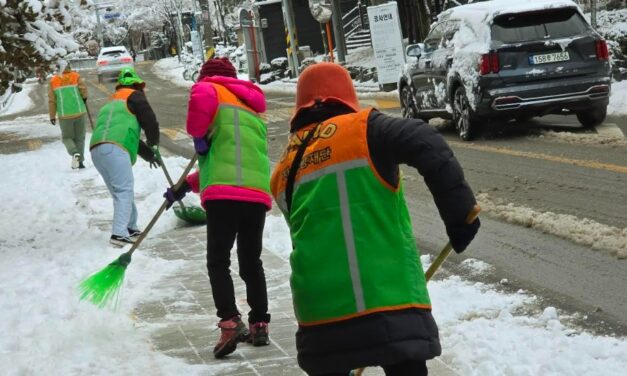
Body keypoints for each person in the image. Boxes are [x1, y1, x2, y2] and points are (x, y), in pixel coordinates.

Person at [269, 63, 481, 376]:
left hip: (319, 318)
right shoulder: (364, 129)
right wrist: (461, 215)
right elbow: (426, 142)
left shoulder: (284, 167)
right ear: (346, 98)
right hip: (387, 304)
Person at [163, 57, 272, 358]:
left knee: (217, 260)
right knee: (251, 261)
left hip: (225, 198)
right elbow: (229, 161)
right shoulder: (250, 110)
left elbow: (197, 112)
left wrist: (198, 135)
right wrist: (186, 185)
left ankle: (229, 321)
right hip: (255, 195)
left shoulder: (209, 89)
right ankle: (260, 324)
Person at [89, 67, 161, 247]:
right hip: (114, 148)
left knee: (119, 192)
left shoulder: (113, 102)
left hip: (97, 149)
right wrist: (154, 143)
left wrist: (149, 155)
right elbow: (150, 121)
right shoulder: (135, 96)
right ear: (138, 85)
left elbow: (129, 135)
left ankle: (130, 228)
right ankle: (119, 234)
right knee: (124, 191)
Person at [48, 60, 88, 169]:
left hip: (65, 115)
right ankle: (80, 162)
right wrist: (84, 99)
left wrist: (52, 116)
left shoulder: (53, 81)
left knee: (67, 138)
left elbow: (52, 101)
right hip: (79, 111)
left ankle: (74, 153)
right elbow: (83, 90)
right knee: (79, 138)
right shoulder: (76, 76)